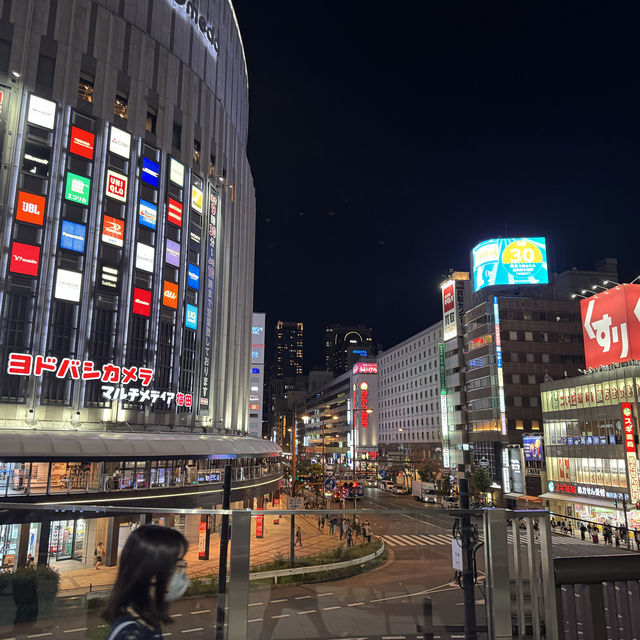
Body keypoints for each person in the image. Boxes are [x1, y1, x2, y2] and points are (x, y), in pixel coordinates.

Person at [103, 525, 188, 640]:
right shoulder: (133, 633)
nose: (183, 570)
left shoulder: (142, 619)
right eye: (179, 563)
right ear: (153, 570)